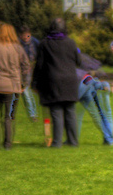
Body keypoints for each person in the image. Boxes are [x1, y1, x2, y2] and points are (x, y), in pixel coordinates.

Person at [30, 17, 86, 148]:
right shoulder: (71, 43)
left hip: (53, 80)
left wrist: (34, 82)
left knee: (56, 111)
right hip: (70, 81)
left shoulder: (44, 44)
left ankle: (57, 142)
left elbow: (39, 65)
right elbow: (79, 61)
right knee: (70, 111)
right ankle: (73, 141)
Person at [0, 22, 29, 149]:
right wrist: (23, 82)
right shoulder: (17, 48)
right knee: (8, 116)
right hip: (12, 86)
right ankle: (7, 143)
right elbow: (26, 66)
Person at [79, 49, 113, 146]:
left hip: (94, 84)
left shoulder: (75, 62)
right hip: (102, 84)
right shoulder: (87, 60)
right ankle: (109, 140)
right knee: (106, 114)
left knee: (98, 115)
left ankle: (109, 139)